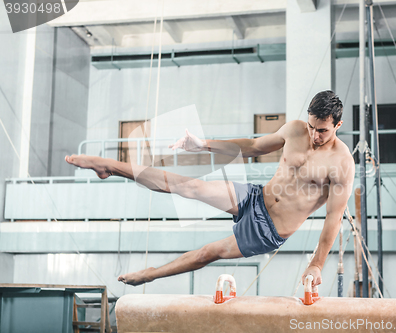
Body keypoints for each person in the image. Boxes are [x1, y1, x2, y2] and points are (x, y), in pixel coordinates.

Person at [65, 90, 354, 288]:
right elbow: (252, 147)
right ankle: (110, 167)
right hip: (255, 197)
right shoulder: (294, 130)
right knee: (189, 186)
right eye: (312, 126)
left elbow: (333, 219)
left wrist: (316, 265)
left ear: (337, 124)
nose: (315, 135)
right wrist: (203, 144)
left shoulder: (342, 163)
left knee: (208, 252)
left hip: (270, 229)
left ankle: (152, 275)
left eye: (323, 130)